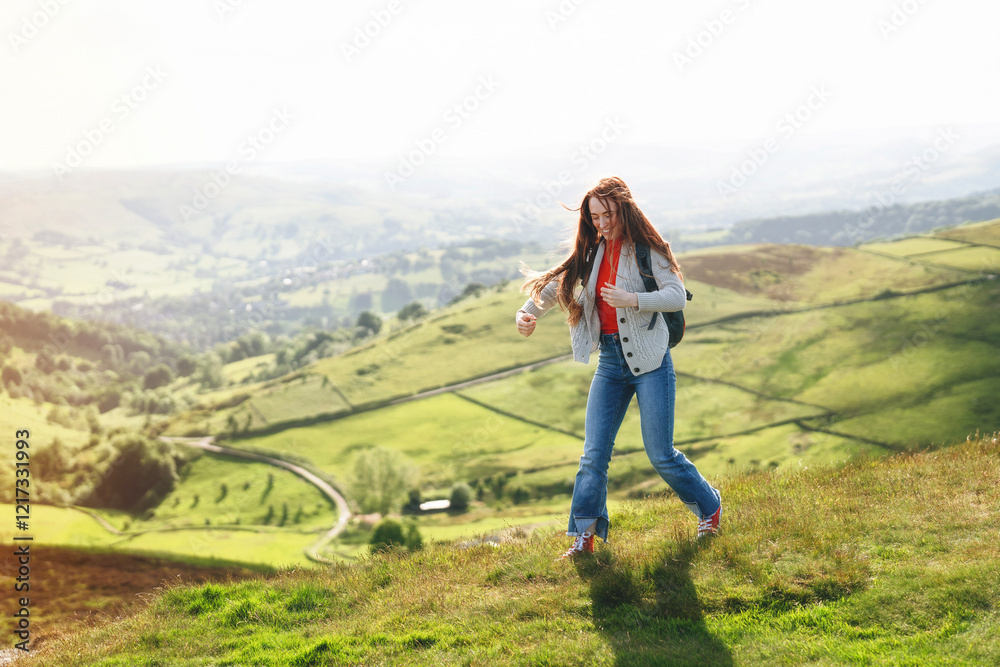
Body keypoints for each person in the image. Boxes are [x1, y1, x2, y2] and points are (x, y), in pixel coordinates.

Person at [515, 176, 722, 559]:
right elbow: (552, 286)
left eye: (607, 215)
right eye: (594, 217)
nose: (602, 224)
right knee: (593, 455)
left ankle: (709, 508)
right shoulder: (592, 252)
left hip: (652, 363)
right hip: (610, 363)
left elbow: (676, 296)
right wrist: (525, 314)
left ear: (622, 210)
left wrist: (632, 299)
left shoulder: (647, 250)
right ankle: (584, 537)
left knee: (661, 454)